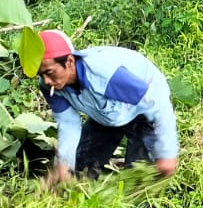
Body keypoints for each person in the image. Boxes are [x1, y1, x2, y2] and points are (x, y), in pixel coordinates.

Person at [36, 30, 179, 184]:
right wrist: (64, 164)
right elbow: (68, 124)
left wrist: (167, 152)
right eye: (41, 75)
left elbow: (157, 104)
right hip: (106, 115)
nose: (47, 81)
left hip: (142, 110)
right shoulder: (49, 87)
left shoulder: (105, 74)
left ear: (69, 61)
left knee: (139, 182)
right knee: (78, 174)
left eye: (49, 72)